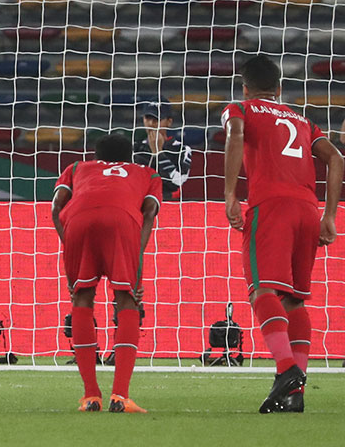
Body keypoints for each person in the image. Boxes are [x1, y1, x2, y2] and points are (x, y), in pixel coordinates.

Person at [221, 55, 342, 413]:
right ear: (279, 88)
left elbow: (235, 134)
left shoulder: (240, 108)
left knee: (263, 290)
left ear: (245, 88)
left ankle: (286, 370)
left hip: (271, 206)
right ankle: (295, 393)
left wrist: (230, 194)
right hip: (308, 209)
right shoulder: (303, 120)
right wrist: (330, 215)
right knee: (294, 300)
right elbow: (336, 159)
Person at [52, 134, 161, 413]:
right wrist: (136, 258)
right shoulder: (147, 173)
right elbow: (149, 214)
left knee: (81, 299)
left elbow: (56, 208)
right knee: (127, 299)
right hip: (122, 222)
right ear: (130, 157)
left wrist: (70, 247)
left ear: (95, 155)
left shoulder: (77, 168)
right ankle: (120, 397)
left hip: (78, 221)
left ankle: (91, 397)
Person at [133, 101, 192, 200]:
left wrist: (158, 152)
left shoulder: (181, 149)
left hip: (169, 203)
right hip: (138, 201)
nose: (151, 123)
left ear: (169, 122)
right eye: (148, 118)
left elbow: (178, 181)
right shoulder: (135, 147)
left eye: (157, 119)